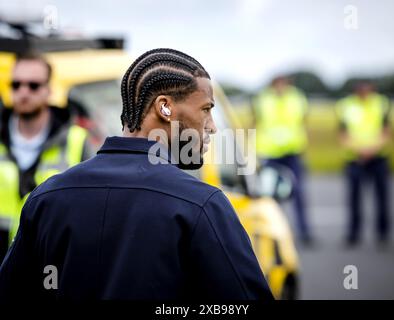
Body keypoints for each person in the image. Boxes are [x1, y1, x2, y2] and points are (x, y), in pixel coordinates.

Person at [0, 48, 273, 300]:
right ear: (164, 107)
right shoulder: (201, 204)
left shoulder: (46, 198)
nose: (212, 127)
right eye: (206, 109)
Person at [0, 52, 92, 264]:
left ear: (49, 90)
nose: (23, 92)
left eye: (33, 86)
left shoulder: (76, 140)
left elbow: (86, 211)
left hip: (49, 265)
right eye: (16, 84)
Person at [253, 76, 312, 244]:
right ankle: (274, 233)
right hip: (270, 153)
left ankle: (304, 232)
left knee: (298, 193)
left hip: (293, 152)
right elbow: (256, 122)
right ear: (273, 85)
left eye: (283, 84)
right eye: (277, 85)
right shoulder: (262, 99)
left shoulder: (298, 98)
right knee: (270, 195)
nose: (280, 88)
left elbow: (303, 123)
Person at [336, 82, 391, 246]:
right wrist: (360, 150)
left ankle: (383, 234)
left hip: (378, 156)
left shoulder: (381, 103)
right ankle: (354, 234)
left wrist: (372, 149)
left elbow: (386, 130)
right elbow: (342, 132)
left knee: (382, 197)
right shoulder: (345, 106)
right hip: (355, 157)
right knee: (354, 198)